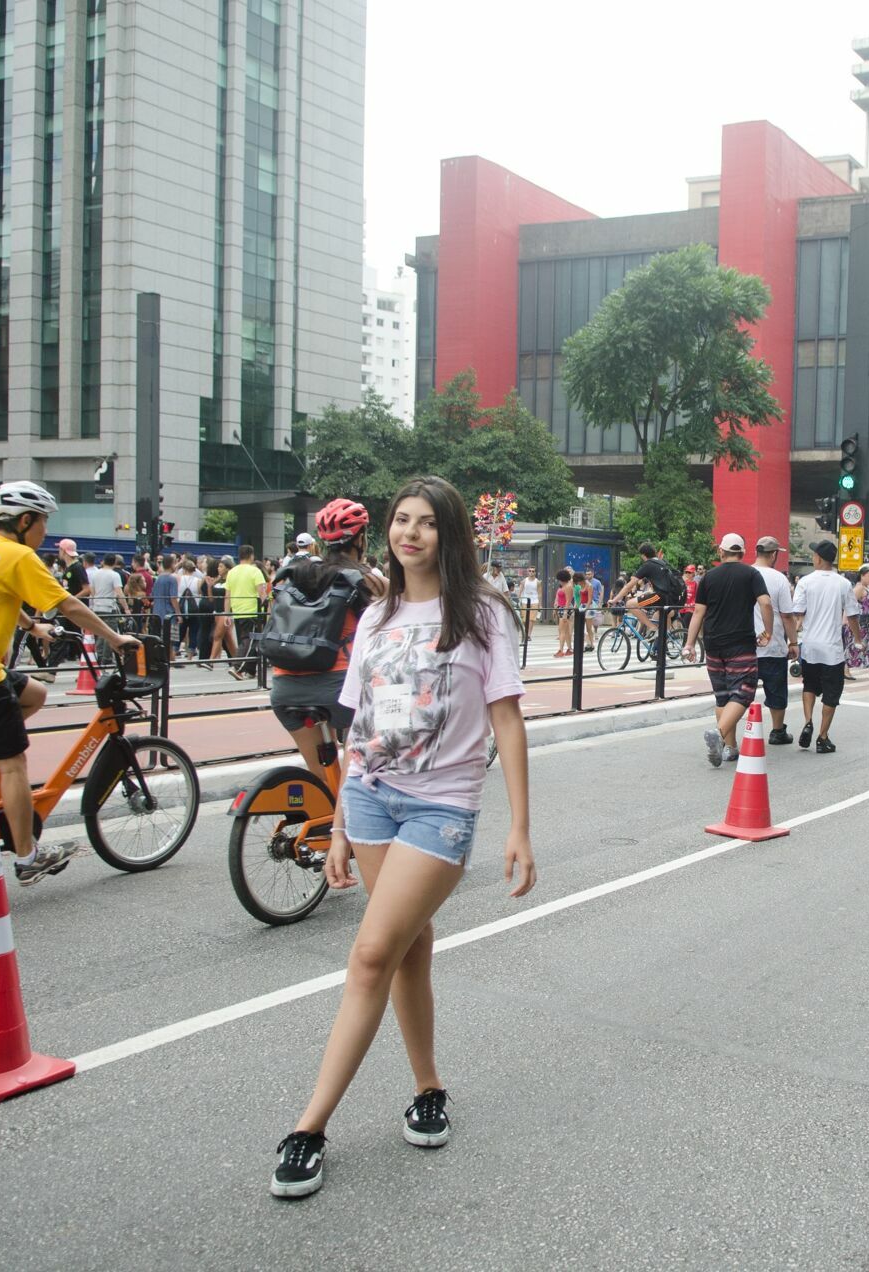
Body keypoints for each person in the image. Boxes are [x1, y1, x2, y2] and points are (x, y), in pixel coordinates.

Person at [273, 475, 534, 1200]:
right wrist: (339, 824)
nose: (409, 533)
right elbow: (355, 724)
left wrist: (518, 826)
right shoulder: (380, 613)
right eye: (400, 521)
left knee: (370, 955)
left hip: (440, 808)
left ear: (449, 535)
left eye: (425, 523)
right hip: (371, 799)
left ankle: (310, 1127)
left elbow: (507, 719)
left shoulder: (482, 612)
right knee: (410, 947)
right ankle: (429, 1087)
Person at [0, 482, 137, 881]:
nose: (45, 532)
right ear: (25, 520)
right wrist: (115, 638)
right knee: (13, 764)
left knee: (34, 693)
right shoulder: (18, 556)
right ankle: (27, 856)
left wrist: (33, 627)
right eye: (43, 522)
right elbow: (69, 604)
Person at [268, 500, 384, 779]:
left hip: (285, 688)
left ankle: (321, 811)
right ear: (360, 538)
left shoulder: (296, 574)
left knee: (321, 780)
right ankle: (346, 818)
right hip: (339, 689)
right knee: (357, 772)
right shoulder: (366, 579)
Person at [682, 533, 773, 766]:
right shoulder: (752, 574)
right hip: (740, 643)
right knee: (743, 692)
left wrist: (689, 644)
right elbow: (765, 603)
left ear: (721, 552)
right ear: (742, 553)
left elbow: (699, 612)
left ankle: (730, 748)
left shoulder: (708, 578)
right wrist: (768, 631)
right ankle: (718, 734)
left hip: (713, 644)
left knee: (723, 696)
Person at [792, 541, 860, 753]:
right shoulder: (843, 583)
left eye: (813, 554)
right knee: (832, 694)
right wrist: (859, 639)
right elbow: (852, 615)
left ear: (819, 558)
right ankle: (822, 737)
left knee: (809, 685)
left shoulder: (805, 581)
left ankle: (808, 721)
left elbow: (798, 613)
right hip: (832, 649)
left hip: (810, 646)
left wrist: (794, 637)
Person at [749, 536, 801, 744]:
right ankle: (777, 731)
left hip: (747, 646)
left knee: (742, 692)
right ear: (773, 554)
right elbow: (787, 615)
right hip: (773, 645)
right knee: (776, 690)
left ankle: (734, 734)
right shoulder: (779, 579)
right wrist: (794, 642)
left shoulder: (746, 574)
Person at [610, 542, 681, 646]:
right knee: (659, 622)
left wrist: (615, 600)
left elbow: (629, 585)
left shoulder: (648, 565)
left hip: (660, 596)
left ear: (643, 555)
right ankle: (659, 649)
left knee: (630, 604)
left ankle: (652, 628)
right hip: (671, 597)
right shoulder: (661, 562)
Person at [225, 545, 268, 679]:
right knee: (250, 641)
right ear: (251, 555)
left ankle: (250, 670)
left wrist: (227, 613)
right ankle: (237, 667)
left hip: (237, 610)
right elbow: (262, 593)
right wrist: (266, 608)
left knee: (244, 640)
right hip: (253, 611)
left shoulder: (232, 572)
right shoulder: (255, 571)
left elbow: (227, 595)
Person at [846, 564, 869, 681]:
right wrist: (846, 622)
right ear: (862, 576)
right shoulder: (859, 588)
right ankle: (846, 668)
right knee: (856, 647)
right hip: (860, 623)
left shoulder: (867, 588)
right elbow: (849, 605)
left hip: (868, 623)